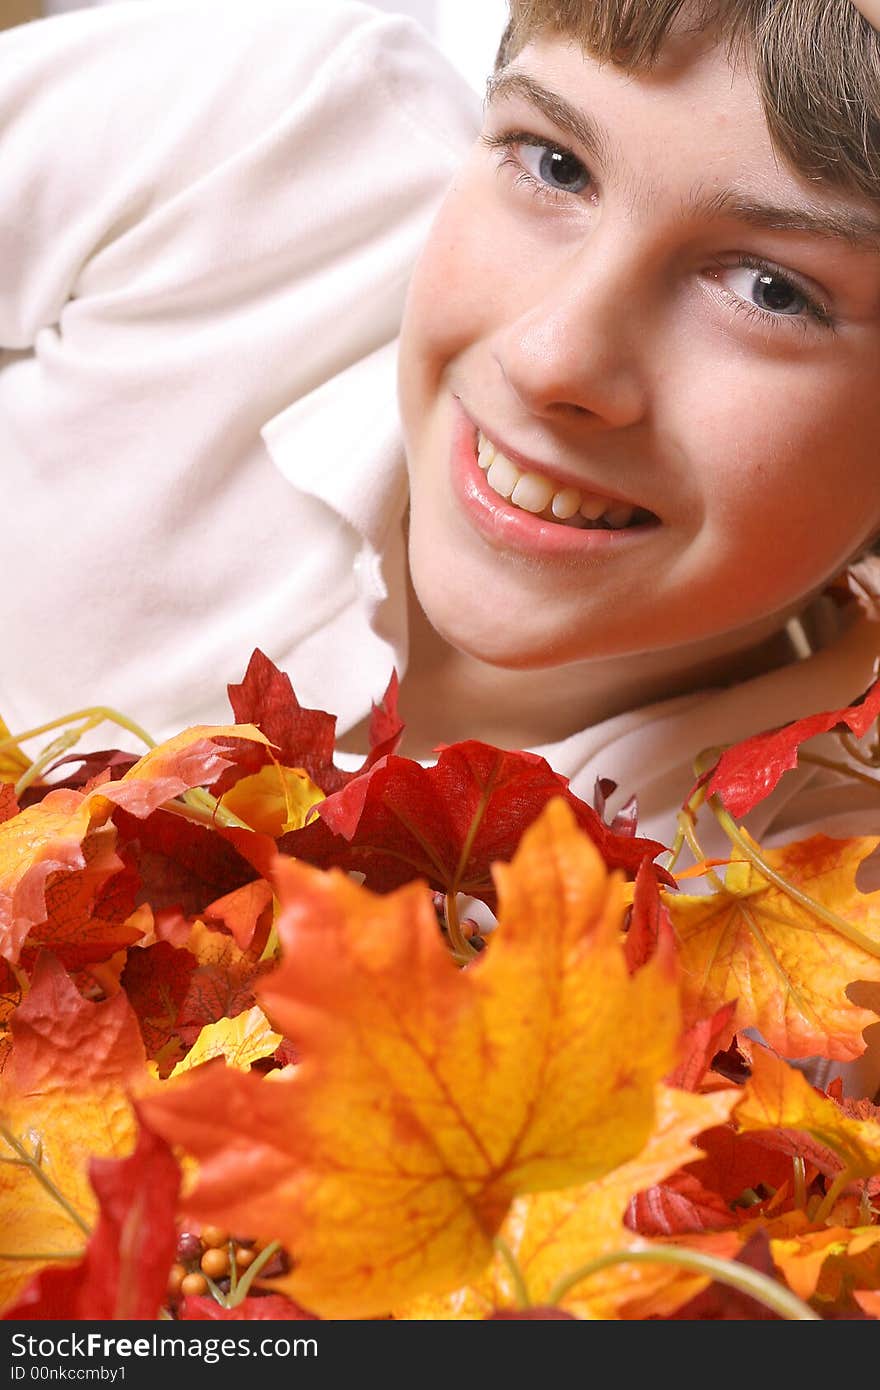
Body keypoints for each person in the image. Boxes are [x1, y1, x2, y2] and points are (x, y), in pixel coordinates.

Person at [2, 0, 880, 1091]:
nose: (554, 356)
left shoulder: (813, 963)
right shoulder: (276, 125)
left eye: (770, 288)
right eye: (555, 165)